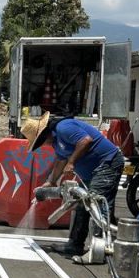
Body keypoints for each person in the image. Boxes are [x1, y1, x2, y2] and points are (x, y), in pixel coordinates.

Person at [22, 112, 124, 262]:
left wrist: (72, 162)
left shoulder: (64, 128)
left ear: (45, 134)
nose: (43, 145)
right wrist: (52, 181)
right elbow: (60, 161)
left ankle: (101, 251)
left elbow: (85, 140)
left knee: (98, 205)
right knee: (83, 205)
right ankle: (75, 245)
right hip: (92, 173)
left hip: (107, 163)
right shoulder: (57, 142)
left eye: (41, 141)